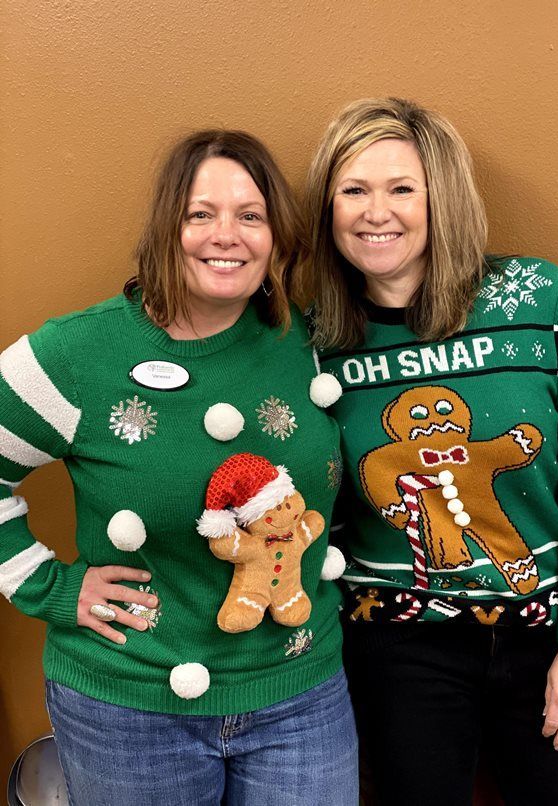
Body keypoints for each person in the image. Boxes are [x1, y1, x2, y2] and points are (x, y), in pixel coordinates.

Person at [0, 129, 358, 805]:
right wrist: (48, 586)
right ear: (167, 227)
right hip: (127, 711)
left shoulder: (312, 343)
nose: (227, 235)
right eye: (201, 214)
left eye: (250, 216)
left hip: (300, 695)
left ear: (278, 240)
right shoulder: (80, 353)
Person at [300, 97, 558, 806]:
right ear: (329, 208)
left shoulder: (538, 299)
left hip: (549, 631)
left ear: (443, 199)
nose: (377, 212)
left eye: (403, 188)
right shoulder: (317, 342)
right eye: (354, 190)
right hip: (398, 645)